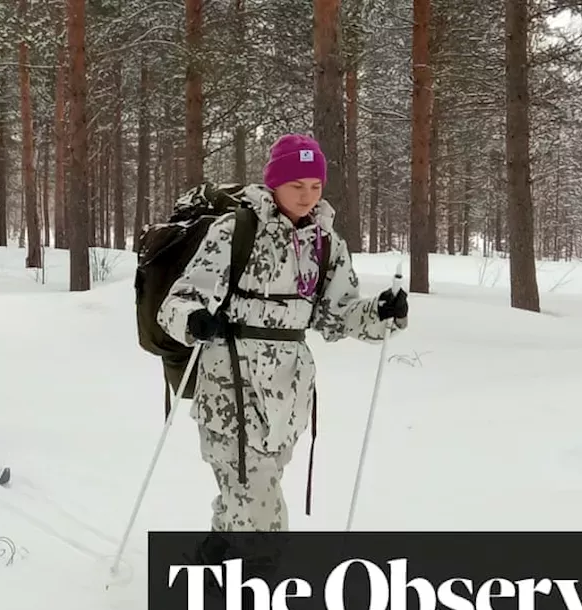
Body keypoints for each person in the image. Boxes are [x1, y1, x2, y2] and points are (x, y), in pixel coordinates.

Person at [156, 133, 409, 534]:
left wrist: (380, 313)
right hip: (231, 389)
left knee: (247, 497)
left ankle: (217, 567)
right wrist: (194, 320)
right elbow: (176, 303)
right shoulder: (234, 231)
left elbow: (337, 316)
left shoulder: (326, 243)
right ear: (274, 182)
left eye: (315, 186)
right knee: (259, 511)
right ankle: (255, 585)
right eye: (297, 185)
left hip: (288, 397)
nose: (307, 196)